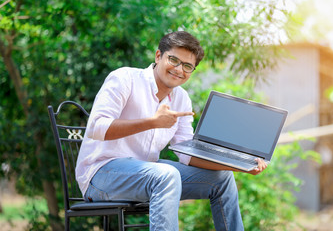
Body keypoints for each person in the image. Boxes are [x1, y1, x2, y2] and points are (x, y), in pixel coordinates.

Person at [76, 31, 268, 231]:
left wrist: (241, 165)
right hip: (101, 175)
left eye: (187, 66)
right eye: (173, 60)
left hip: (148, 173)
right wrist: (152, 122)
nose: (179, 70)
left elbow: (187, 155)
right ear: (159, 56)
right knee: (166, 175)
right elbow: (96, 128)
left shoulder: (181, 98)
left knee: (223, 179)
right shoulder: (124, 78)